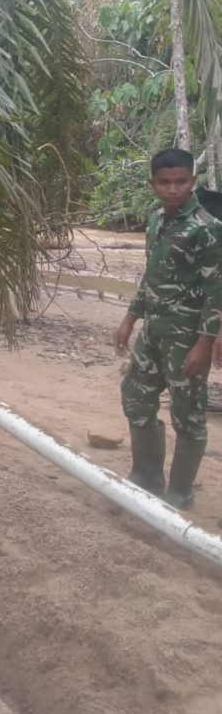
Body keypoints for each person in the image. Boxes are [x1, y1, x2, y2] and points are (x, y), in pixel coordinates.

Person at [114, 148, 222, 509]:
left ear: (193, 182)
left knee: (187, 414)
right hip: (154, 331)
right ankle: (146, 476)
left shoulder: (208, 229)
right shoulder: (156, 221)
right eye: (165, 182)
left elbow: (216, 291)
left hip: (186, 337)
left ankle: (179, 493)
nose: (173, 189)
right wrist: (130, 318)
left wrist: (204, 344)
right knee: (135, 396)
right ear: (153, 184)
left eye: (180, 182)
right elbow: (151, 276)